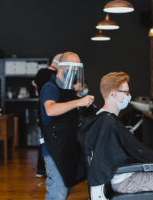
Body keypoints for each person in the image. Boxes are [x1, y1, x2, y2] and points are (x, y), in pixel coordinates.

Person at [79, 72, 153, 200]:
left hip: (125, 176)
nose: (129, 96)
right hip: (126, 181)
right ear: (114, 93)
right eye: (126, 92)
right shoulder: (108, 123)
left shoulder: (103, 118)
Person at [40, 52, 95, 200]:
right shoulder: (50, 87)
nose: (75, 71)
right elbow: (50, 110)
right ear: (62, 67)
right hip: (54, 146)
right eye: (72, 67)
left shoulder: (70, 89)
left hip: (68, 145)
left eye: (78, 67)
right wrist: (78, 102)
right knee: (58, 190)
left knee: (67, 185)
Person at [34, 53, 62, 178]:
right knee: (48, 138)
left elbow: (35, 86)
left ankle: (41, 169)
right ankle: (49, 167)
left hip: (41, 109)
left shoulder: (40, 73)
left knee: (43, 138)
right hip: (51, 109)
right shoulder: (54, 77)